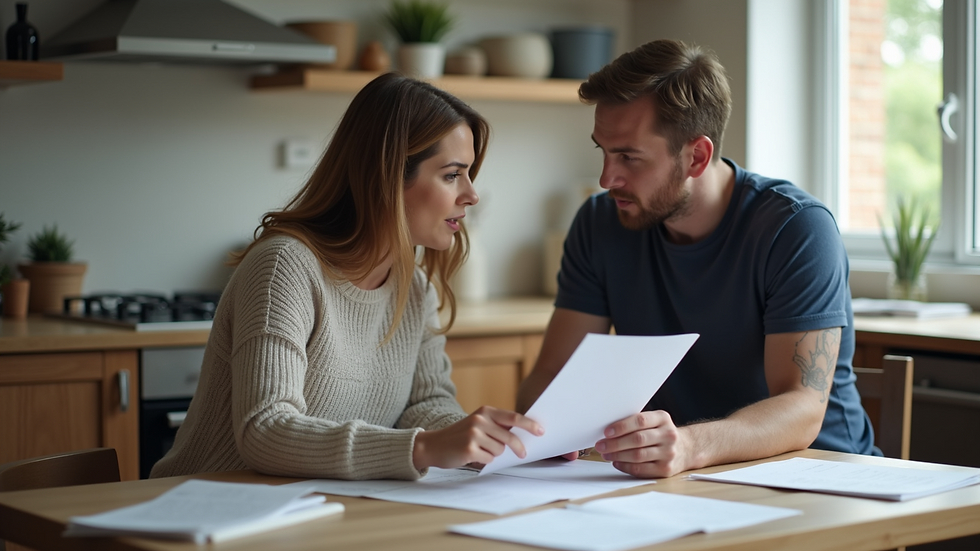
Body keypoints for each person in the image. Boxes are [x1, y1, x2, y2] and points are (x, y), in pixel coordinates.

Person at [151, 73, 542, 481]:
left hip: (312, 511)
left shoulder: (414, 289)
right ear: (388, 177)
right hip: (204, 513)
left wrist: (497, 446)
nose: (471, 194)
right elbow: (264, 430)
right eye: (451, 175)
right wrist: (424, 447)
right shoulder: (285, 268)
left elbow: (424, 405)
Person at [517, 39, 875, 479]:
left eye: (629, 156)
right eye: (603, 151)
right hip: (683, 481)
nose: (607, 178)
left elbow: (802, 406)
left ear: (697, 156)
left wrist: (689, 446)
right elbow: (554, 372)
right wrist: (541, 429)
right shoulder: (599, 223)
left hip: (818, 477)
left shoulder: (796, 229)